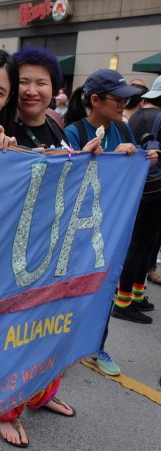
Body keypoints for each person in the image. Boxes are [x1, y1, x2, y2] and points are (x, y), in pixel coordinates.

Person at [0, 46, 84, 448]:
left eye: (40, 83)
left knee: (52, 325)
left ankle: (41, 394)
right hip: (11, 253)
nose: (31, 90)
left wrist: (110, 156)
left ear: (54, 89)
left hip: (53, 246)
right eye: (23, 82)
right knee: (15, 332)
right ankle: (5, 410)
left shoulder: (57, 126)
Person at [64, 69, 142, 376]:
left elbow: (138, 160)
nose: (124, 104)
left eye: (127, 98)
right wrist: (108, 156)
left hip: (110, 227)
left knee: (104, 287)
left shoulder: (123, 130)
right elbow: (69, 177)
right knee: (69, 291)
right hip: (76, 231)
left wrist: (144, 155)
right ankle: (61, 348)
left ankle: (97, 346)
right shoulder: (74, 132)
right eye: (118, 98)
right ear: (95, 100)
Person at [109, 76, 161, 325]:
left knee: (146, 244)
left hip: (143, 187)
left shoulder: (139, 115)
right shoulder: (151, 117)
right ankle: (124, 301)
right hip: (151, 189)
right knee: (141, 245)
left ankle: (136, 294)